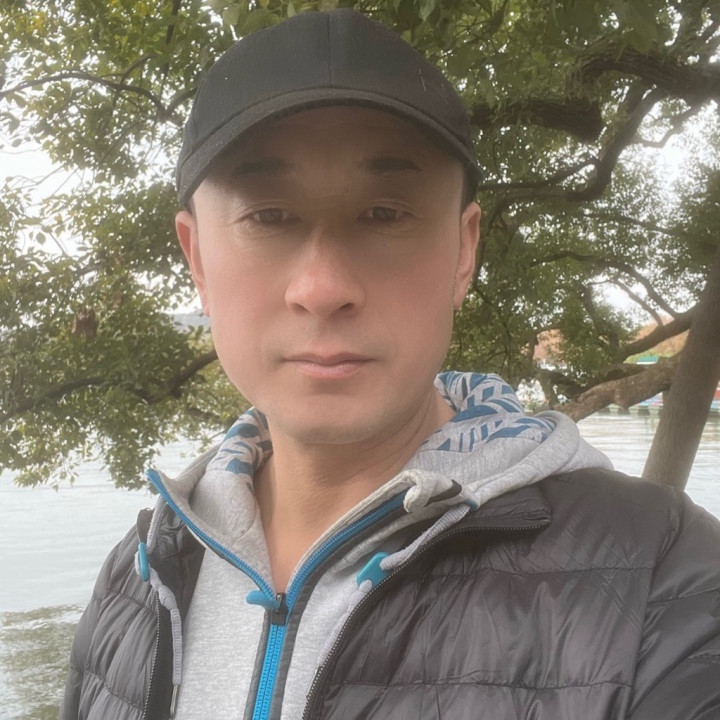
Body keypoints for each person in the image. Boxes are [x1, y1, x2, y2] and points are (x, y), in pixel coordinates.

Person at [60, 9, 720, 720]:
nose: (322, 288)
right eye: (269, 216)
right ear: (196, 259)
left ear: (464, 252)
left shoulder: (663, 582)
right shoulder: (137, 579)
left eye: (384, 214)